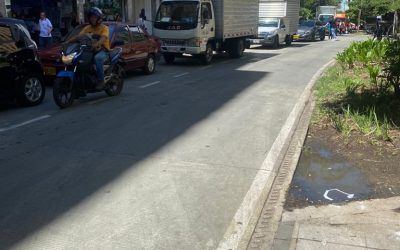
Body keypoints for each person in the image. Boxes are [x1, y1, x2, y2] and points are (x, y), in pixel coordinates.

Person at [67, 7, 109, 90]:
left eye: (94, 17)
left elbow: (103, 38)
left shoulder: (104, 28)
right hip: (90, 50)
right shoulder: (87, 28)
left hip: (103, 50)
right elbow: (79, 36)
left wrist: (97, 43)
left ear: (99, 18)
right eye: (91, 17)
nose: (92, 19)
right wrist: (67, 42)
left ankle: (101, 80)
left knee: (97, 59)